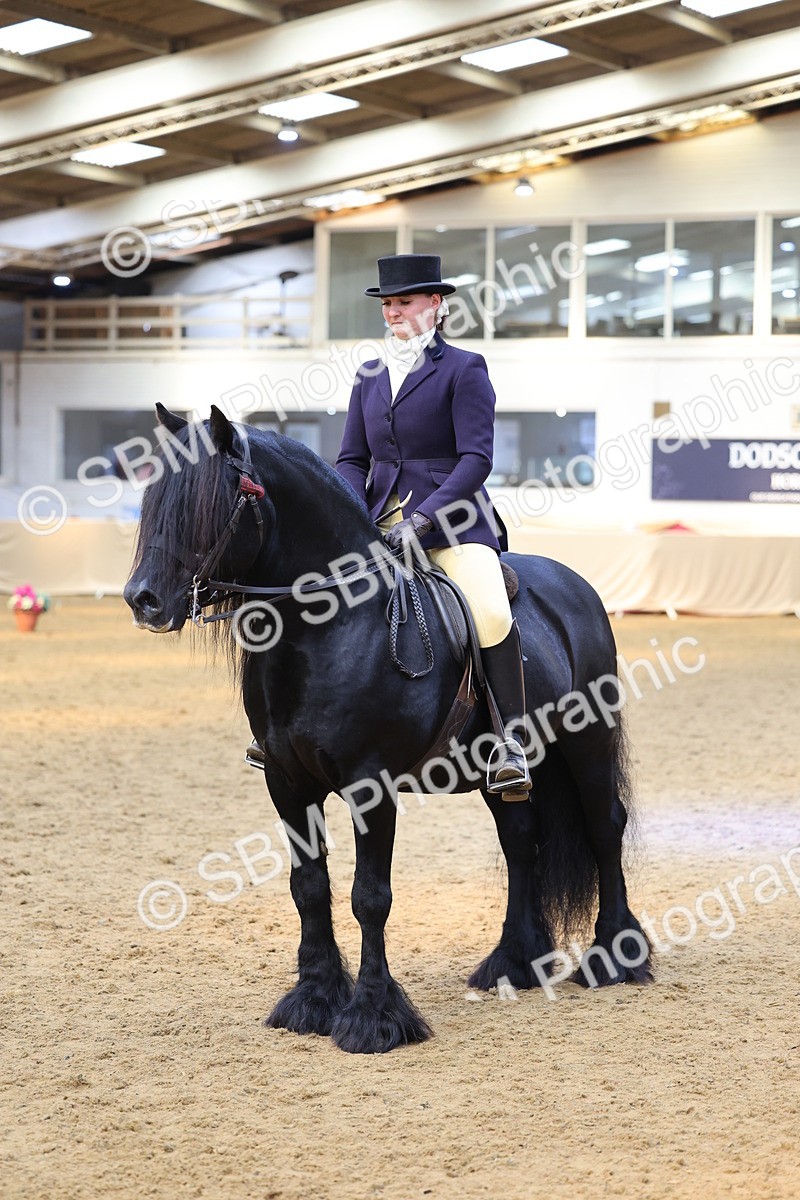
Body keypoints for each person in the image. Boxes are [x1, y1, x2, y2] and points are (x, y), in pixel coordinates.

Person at [334, 254, 531, 800]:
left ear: (436, 306)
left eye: (404, 302)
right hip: (376, 527)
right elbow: (351, 458)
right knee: (312, 597)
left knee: (489, 609)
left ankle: (511, 741)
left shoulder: (465, 368)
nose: (392, 312)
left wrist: (423, 519)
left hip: (453, 524)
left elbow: (476, 459)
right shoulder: (370, 375)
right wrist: (356, 514)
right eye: (388, 304)